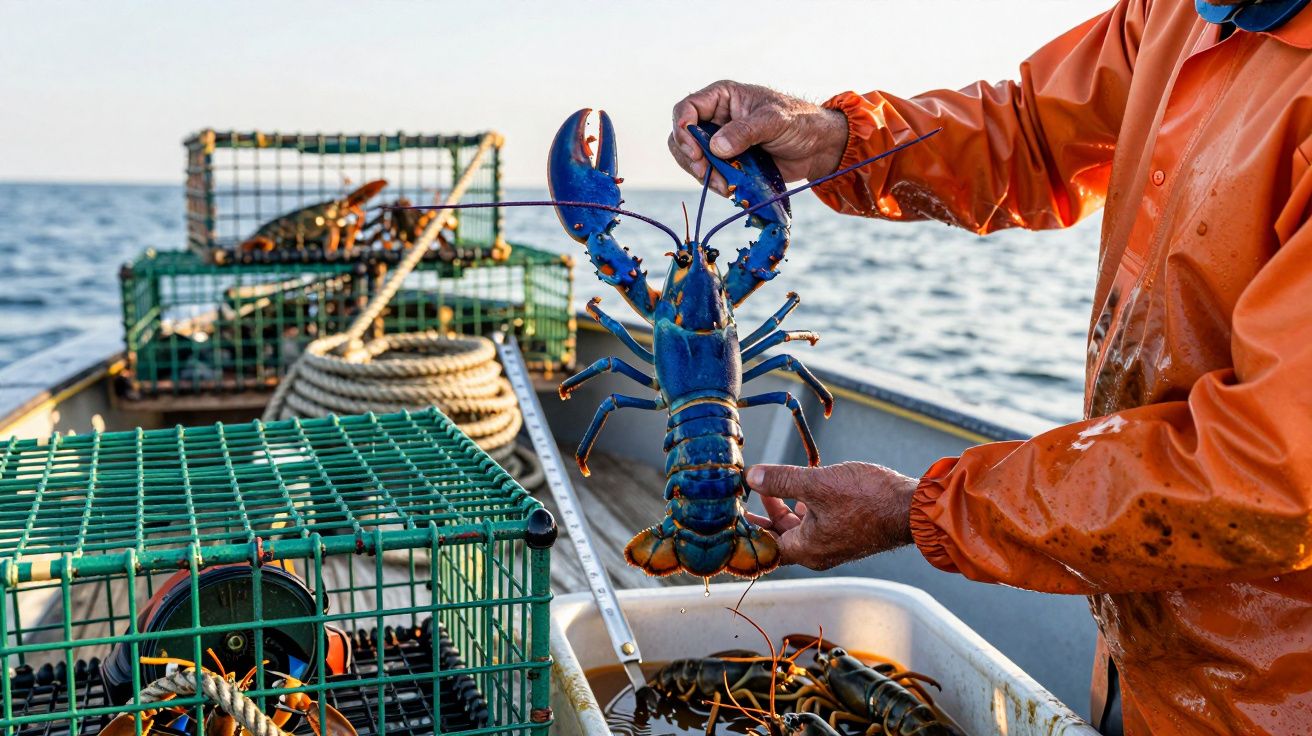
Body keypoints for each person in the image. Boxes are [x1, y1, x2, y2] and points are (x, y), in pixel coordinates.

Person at [667, 1, 1312, 734]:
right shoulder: (1174, 12)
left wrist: (930, 509)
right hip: (1139, 638)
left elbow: (1267, 471)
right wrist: (836, 138)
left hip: (1275, 693)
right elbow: (1035, 135)